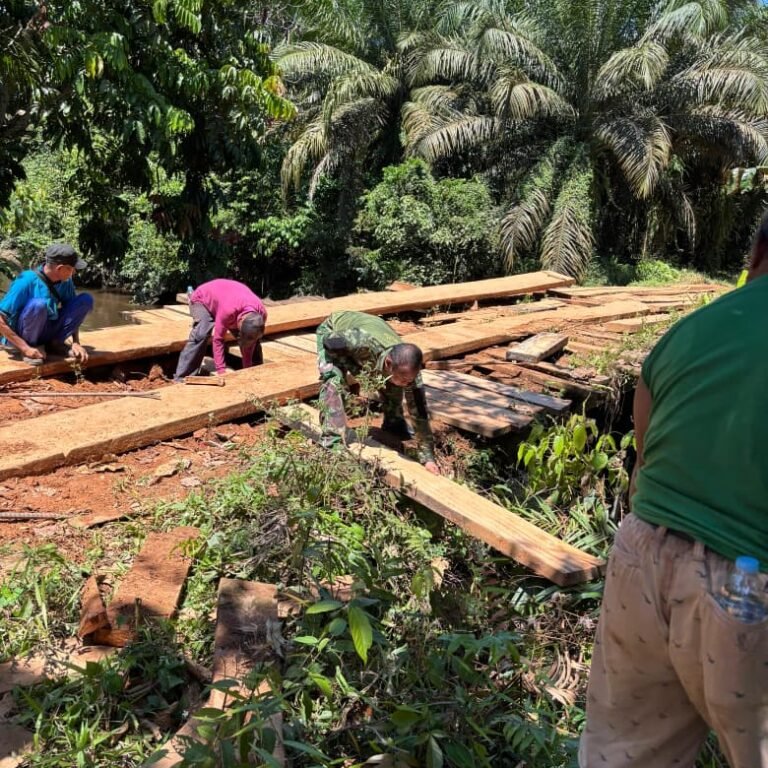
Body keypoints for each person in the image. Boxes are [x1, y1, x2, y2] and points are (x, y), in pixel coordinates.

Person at [579, 213, 768, 768]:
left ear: (755, 254)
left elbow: (644, 455)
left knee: (625, 754)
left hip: (641, 556)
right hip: (749, 578)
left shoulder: (690, 329)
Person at [316, 310, 440, 475]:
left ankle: (394, 424)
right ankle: (331, 443)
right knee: (334, 381)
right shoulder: (360, 340)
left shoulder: (409, 372)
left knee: (394, 385)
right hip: (334, 335)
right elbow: (328, 342)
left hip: (371, 335)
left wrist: (428, 457)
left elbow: (419, 412)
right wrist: (356, 371)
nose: (407, 383)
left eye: (410, 379)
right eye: (404, 378)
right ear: (388, 363)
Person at [0, 243, 93, 366]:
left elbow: (71, 310)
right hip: (24, 335)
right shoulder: (25, 281)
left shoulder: (65, 282)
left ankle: (55, 343)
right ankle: (33, 346)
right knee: (38, 305)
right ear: (60, 268)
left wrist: (76, 342)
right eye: (71, 269)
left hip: (47, 329)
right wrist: (25, 348)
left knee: (85, 300)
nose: (74, 272)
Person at [173, 278, 267, 380]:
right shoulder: (228, 310)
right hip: (202, 301)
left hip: (224, 302)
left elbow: (250, 343)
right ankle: (182, 377)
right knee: (201, 333)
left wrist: (248, 370)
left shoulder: (261, 314)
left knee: (254, 339)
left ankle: (257, 374)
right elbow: (218, 340)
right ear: (240, 322)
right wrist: (221, 371)